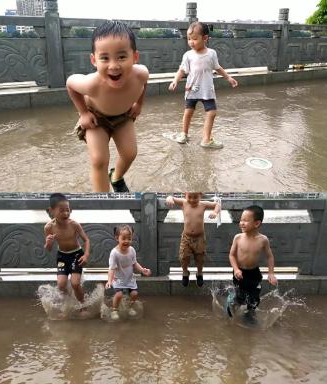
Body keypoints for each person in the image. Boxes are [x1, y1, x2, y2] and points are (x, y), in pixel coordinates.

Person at [66, 21, 149, 192]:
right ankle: (103, 201)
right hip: (96, 118)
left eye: (121, 57)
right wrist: (83, 113)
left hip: (123, 116)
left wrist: (139, 103)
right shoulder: (92, 84)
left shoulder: (141, 74)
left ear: (135, 57)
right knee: (99, 159)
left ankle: (116, 177)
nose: (114, 65)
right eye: (105, 58)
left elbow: (143, 84)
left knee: (130, 153)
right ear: (94, 60)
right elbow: (70, 84)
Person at [168, 22, 239, 148]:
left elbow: (217, 68)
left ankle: (206, 139)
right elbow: (182, 70)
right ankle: (184, 134)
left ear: (205, 38)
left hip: (207, 90)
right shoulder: (188, 55)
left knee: (212, 112)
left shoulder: (211, 53)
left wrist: (228, 77)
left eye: (195, 39)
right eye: (189, 39)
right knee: (188, 111)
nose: (191, 42)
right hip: (192, 89)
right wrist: (175, 80)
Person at [227, 205, 278, 324]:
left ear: (256, 223)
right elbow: (232, 255)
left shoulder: (263, 240)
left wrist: (271, 273)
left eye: (245, 220)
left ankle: (249, 314)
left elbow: (269, 256)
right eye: (241, 220)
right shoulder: (238, 238)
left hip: (254, 273)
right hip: (239, 272)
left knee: (254, 298)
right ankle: (232, 303)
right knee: (239, 297)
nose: (241, 223)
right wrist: (235, 270)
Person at [165, 192, 221, 287]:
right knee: (183, 256)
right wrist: (169, 198)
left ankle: (199, 273)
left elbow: (217, 204)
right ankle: (185, 272)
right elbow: (171, 197)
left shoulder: (203, 204)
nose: (192, 200)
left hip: (199, 238)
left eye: (195, 197)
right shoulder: (184, 202)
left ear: (200, 195)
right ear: (185, 194)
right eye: (189, 197)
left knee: (200, 257)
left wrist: (215, 212)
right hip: (186, 237)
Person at [44, 193, 90, 303]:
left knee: (75, 283)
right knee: (61, 285)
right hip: (62, 256)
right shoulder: (49, 227)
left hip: (76, 254)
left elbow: (86, 240)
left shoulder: (74, 224)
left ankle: (83, 305)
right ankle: (68, 304)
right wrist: (48, 243)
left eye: (68, 210)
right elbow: (48, 249)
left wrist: (86, 255)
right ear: (52, 210)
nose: (66, 213)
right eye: (61, 210)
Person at [105, 225, 151, 320]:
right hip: (118, 278)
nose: (127, 241)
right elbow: (112, 268)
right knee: (119, 295)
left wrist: (142, 269)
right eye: (124, 238)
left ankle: (129, 307)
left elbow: (134, 263)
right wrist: (109, 281)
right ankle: (115, 310)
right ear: (117, 238)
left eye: (129, 238)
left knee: (134, 294)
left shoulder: (132, 250)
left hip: (129, 278)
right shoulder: (114, 253)